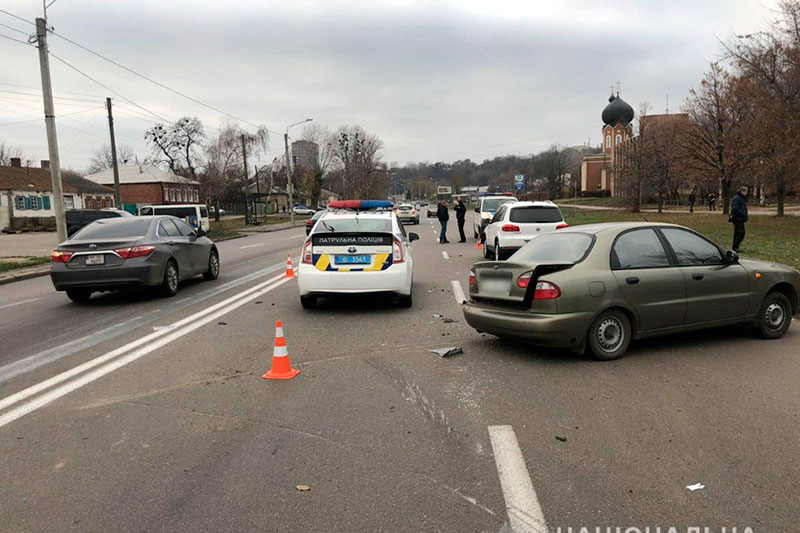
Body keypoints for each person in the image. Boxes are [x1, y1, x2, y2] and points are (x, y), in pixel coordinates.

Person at [730, 186, 749, 252]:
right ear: (742, 191)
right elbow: (736, 209)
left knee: (738, 232)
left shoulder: (740, 198)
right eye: (746, 191)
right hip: (737, 218)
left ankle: (736, 246)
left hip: (739, 218)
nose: (746, 193)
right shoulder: (737, 198)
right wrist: (743, 215)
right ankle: (735, 246)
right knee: (740, 232)